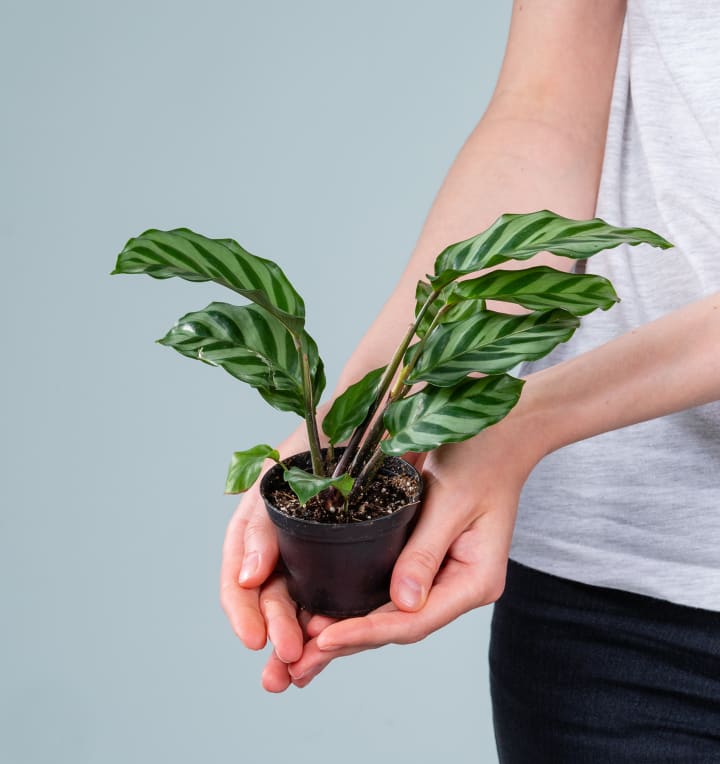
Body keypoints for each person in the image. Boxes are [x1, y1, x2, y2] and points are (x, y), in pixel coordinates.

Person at [220, 1, 720, 759]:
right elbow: (545, 114)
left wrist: (526, 421)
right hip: (607, 601)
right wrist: (362, 425)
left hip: (563, 458)